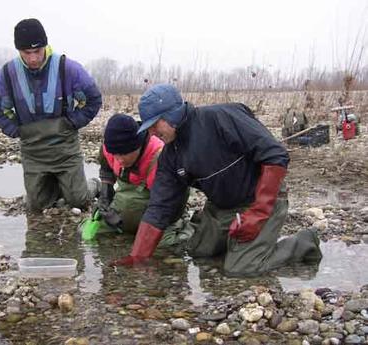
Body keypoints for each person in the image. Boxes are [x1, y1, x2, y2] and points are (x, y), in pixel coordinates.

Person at [112, 84, 322, 276]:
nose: (151, 133)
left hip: (261, 199)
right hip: (222, 206)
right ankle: (239, 244)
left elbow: (276, 155)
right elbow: (159, 207)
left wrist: (259, 212)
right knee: (198, 252)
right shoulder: (169, 157)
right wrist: (137, 257)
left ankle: (303, 243)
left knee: (240, 269)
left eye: (154, 125)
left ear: (172, 115)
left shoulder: (221, 117)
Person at [0, 18, 102, 212]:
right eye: (26, 53)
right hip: (33, 150)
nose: (33, 58)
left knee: (78, 201)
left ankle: (93, 185)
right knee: (36, 206)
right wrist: (17, 130)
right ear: (18, 51)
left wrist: (72, 123)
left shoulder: (68, 68)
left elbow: (93, 100)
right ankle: (57, 186)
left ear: (45, 46)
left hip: (65, 147)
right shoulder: (7, 74)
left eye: (37, 51)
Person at [95, 113, 189, 239]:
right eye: (115, 154)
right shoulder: (109, 148)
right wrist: (105, 195)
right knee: (91, 230)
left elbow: (166, 205)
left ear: (138, 146)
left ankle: (189, 227)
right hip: (129, 201)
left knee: (164, 245)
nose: (119, 160)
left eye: (124, 154)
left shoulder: (159, 158)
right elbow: (106, 168)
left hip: (163, 204)